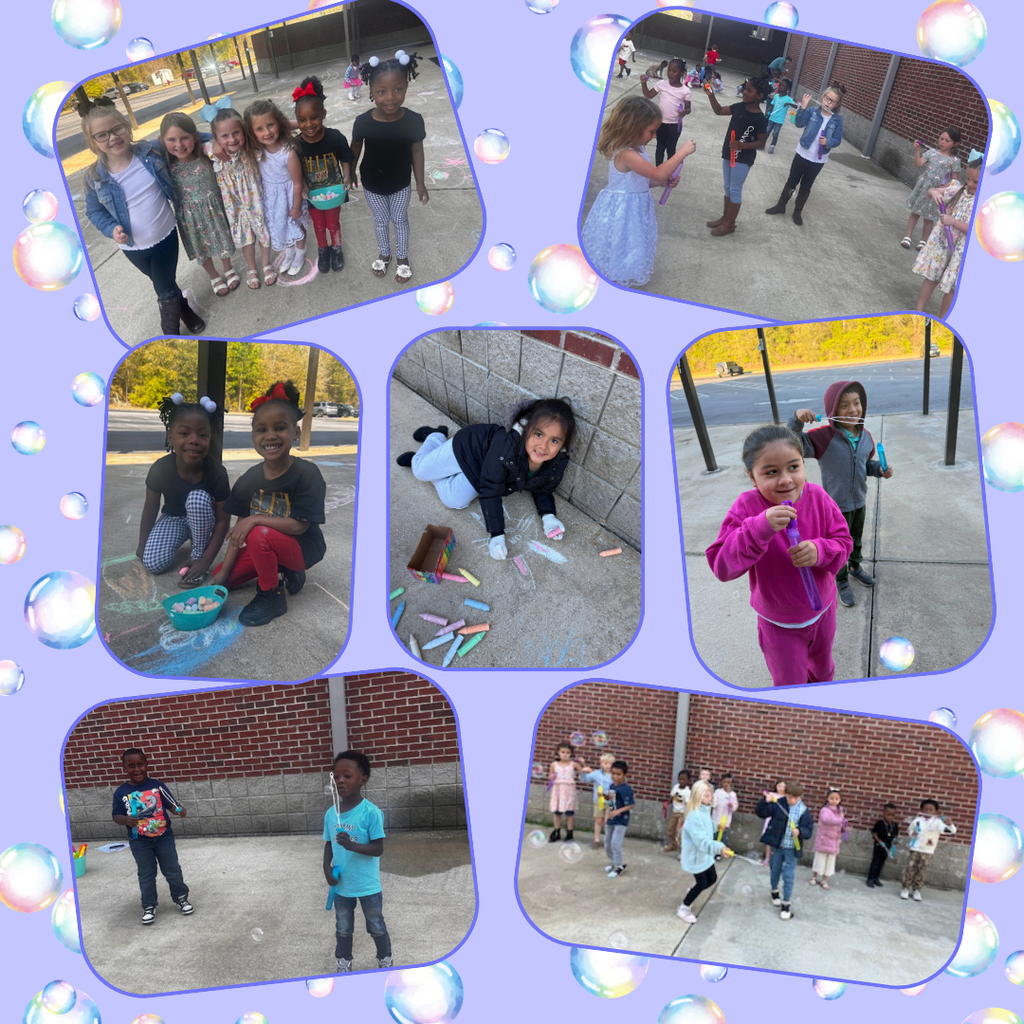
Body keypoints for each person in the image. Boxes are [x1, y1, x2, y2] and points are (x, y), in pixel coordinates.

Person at [706, 425, 853, 686]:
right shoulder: (746, 507)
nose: (785, 480)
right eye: (771, 472)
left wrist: (820, 551)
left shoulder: (818, 498)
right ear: (752, 477)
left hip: (823, 612)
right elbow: (721, 566)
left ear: (803, 465)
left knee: (823, 670)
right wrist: (758, 529)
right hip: (778, 624)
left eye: (793, 467)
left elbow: (844, 544)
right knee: (789, 682)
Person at [81, 99, 206, 336]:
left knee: (164, 288)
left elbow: (185, 138)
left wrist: (213, 142)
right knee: (164, 283)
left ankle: (170, 335)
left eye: (117, 129)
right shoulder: (94, 177)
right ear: (92, 141)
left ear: (127, 127)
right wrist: (111, 228)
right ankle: (184, 308)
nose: (113, 137)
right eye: (102, 135)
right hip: (132, 248)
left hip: (164, 236)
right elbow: (94, 211)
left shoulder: (150, 152)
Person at [394, 398, 576, 560]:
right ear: (526, 429)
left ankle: (436, 468)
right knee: (419, 471)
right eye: (538, 434)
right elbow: (491, 490)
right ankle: (436, 437)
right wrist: (497, 534)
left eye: (554, 441)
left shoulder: (556, 461)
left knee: (453, 500)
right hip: (467, 448)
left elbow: (542, 487)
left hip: (482, 470)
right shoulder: (507, 446)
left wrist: (548, 517)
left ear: (563, 444)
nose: (543, 446)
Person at [213, 381, 327, 627]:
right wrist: (222, 573)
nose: (270, 435)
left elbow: (299, 526)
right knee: (223, 579)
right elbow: (239, 531)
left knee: (258, 533)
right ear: (253, 436)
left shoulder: (307, 474)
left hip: (303, 548)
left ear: (295, 432)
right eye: (261, 429)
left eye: (280, 428)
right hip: (267, 544)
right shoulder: (250, 478)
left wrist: (255, 519)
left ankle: (271, 595)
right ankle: (280, 568)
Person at [790, 381, 893, 609]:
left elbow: (865, 464)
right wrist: (797, 420)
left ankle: (855, 567)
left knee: (856, 540)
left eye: (856, 403)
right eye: (844, 405)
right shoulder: (823, 437)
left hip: (859, 501)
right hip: (834, 507)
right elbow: (793, 443)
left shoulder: (866, 437)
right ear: (832, 410)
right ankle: (841, 579)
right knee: (837, 546)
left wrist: (878, 469)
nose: (852, 410)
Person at [580, 96, 695, 286]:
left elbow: (641, 181)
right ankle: (613, 279)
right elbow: (658, 173)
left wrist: (662, 182)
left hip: (633, 209)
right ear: (633, 127)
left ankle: (618, 275)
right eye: (652, 131)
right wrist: (681, 153)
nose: (655, 136)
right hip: (622, 211)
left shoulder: (638, 149)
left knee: (629, 246)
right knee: (618, 245)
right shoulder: (626, 154)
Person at [136, 395, 230, 586]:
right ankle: (185, 537)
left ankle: (197, 554)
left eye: (202, 435)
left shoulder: (217, 473)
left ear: (209, 438)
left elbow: (223, 521)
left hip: (204, 519)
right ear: (170, 437)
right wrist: (142, 543)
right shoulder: (160, 469)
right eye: (184, 433)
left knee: (197, 499)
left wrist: (206, 560)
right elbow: (150, 508)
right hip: (175, 518)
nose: (194, 440)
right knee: (153, 563)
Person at [351, 53, 427, 284]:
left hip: (401, 183)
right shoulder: (363, 122)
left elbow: (417, 151)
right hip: (372, 184)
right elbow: (355, 147)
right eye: (381, 91)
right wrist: (350, 171)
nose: (390, 97)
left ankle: (402, 257)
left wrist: (420, 183)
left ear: (406, 87)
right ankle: (385, 253)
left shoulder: (413, 120)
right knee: (381, 220)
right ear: (372, 92)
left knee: (400, 219)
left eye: (398, 89)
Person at [322, 750, 392, 971]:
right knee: (343, 927)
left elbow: (377, 848)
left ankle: (385, 959)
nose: (340, 780)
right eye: (336, 776)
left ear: (363, 780)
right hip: (342, 885)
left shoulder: (371, 813)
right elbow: (328, 843)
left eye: (347, 776)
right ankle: (344, 962)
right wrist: (326, 867)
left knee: (376, 925)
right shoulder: (331, 814)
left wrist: (352, 845)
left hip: (367, 884)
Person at [159, 112, 237, 297]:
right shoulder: (163, 165)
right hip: (189, 216)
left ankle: (228, 268)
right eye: (171, 139)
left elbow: (218, 140)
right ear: (162, 140)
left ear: (195, 136)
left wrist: (214, 141)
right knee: (200, 247)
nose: (179, 144)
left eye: (184, 138)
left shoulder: (206, 153)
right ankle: (214, 275)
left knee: (223, 240)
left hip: (214, 210)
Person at [112, 747, 192, 925]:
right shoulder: (121, 792)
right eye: (131, 766)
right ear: (124, 768)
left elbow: (171, 804)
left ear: (147, 765)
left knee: (172, 870)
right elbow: (116, 815)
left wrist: (179, 810)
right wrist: (126, 820)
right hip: (139, 841)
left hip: (164, 837)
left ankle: (181, 897)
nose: (137, 769)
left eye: (140, 764)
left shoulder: (157, 786)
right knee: (146, 874)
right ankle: (149, 905)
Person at [293, 75, 355, 274]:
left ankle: (336, 248)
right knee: (318, 225)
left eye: (314, 117)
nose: (308, 124)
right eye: (302, 120)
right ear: (296, 121)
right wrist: (302, 184)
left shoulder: (335, 137)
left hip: (334, 192)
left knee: (333, 223)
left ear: (324, 114)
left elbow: (346, 157)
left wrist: (347, 175)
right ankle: (323, 250)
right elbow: (296, 171)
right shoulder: (297, 145)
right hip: (313, 196)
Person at [206, 108, 272, 289]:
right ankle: (252, 269)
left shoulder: (251, 147)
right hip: (235, 205)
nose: (232, 139)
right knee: (246, 238)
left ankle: (266, 264)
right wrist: (214, 142)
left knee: (263, 231)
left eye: (236, 132)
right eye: (224, 136)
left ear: (244, 130)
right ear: (216, 137)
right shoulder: (213, 152)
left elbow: (274, 127)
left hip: (255, 201)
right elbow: (199, 141)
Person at [765, 84, 845, 226]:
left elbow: (837, 139)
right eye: (827, 98)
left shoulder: (837, 120)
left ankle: (797, 212)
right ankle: (781, 206)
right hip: (802, 153)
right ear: (822, 97)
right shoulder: (812, 112)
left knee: (806, 186)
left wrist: (828, 142)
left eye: (832, 101)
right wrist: (802, 107)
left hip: (818, 160)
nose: (828, 103)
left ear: (837, 104)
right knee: (792, 181)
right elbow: (799, 123)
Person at [245, 100, 308, 278]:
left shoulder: (288, 153)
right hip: (272, 198)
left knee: (296, 225)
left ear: (278, 123)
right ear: (252, 132)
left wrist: (296, 207)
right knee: (281, 225)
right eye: (260, 129)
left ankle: (300, 252)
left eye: (270, 125)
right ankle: (289, 252)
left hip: (290, 196)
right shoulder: (257, 150)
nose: (267, 132)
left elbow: (297, 183)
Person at [913, 152, 982, 317]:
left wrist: (953, 222)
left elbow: (979, 232)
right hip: (943, 244)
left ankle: (943, 321)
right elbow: (931, 191)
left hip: (962, 251)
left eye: (976, 181)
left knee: (951, 288)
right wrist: (935, 193)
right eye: (968, 179)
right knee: (931, 278)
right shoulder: (957, 190)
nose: (970, 184)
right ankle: (918, 312)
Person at [703, 77, 769, 237]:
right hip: (729, 153)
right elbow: (719, 110)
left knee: (735, 189)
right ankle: (725, 217)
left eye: (749, 90)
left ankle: (729, 224)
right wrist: (711, 95)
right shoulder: (739, 107)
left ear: (760, 96)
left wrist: (742, 145)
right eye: (745, 89)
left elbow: (761, 142)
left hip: (743, 158)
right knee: (727, 187)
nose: (744, 92)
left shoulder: (760, 119)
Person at [677, 780, 734, 924]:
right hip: (696, 856)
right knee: (702, 882)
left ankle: (692, 891)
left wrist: (716, 826)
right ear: (697, 796)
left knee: (712, 878)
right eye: (706, 795)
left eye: (711, 794)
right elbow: (702, 841)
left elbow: (706, 826)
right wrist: (720, 848)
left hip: (704, 855)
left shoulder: (704, 810)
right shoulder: (694, 816)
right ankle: (684, 908)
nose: (711, 797)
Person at [756, 780, 813, 921]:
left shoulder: (804, 811)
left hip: (791, 849)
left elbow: (809, 831)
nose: (790, 800)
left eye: (793, 797)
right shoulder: (779, 804)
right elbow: (761, 813)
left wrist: (800, 831)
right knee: (774, 870)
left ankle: (786, 904)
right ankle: (774, 890)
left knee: (788, 875)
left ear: (799, 797)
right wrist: (765, 802)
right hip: (777, 845)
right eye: (788, 796)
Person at [902, 128, 963, 250]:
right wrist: (917, 151)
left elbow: (955, 180)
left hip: (937, 192)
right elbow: (918, 163)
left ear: (955, 144)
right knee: (915, 212)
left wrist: (947, 185)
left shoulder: (955, 161)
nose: (942, 142)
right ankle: (907, 237)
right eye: (941, 138)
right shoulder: (931, 153)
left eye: (947, 141)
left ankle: (923, 241)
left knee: (928, 217)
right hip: (923, 187)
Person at [901, 799, 957, 901]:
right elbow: (910, 830)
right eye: (925, 809)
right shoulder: (917, 820)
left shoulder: (938, 822)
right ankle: (905, 888)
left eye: (931, 810)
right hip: (915, 848)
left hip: (927, 851)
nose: (928, 811)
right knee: (910, 868)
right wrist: (912, 833)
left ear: (935, 811)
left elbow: (951, 831)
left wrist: (950, 824)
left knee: (922, 871)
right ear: (921, 810)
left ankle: (916, 890)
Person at [641, 58, 692, 166]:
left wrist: (684, 112)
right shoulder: (662, 84)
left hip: (675, 125)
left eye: (674, 71)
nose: (670, 73)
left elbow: (689, 108)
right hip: (661, 123)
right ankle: (658, 169)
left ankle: (669, 170)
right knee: (660, 146)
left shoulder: (685, 91)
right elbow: (649, 95)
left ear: (682, 73)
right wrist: (644, 84)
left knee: (671, 148)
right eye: (669, 70)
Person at [810, 788, 849, 889]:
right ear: (827, 799)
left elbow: (839, 826)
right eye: (832, 798)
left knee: (829, 863)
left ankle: (824, 880)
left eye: (836, 799)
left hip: (834, 842)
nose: (834, 801)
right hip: (823, 840)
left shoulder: (840, 812)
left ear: (840, 800)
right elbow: (827, 820)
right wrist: (839, 820)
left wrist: (844, 828)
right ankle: (814, 877)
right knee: (819, 860)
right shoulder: (824, 810)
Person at [604, 760, 635, 878]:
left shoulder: (626, 789)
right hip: (611, 818)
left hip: (621, 820)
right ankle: (613, 861)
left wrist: (618, 811)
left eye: (618, 774)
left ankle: (619, 866)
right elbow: (612, 801)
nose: (615, 777)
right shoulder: (612, 786)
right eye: (613, 773)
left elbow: (631, 804)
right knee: (607, 843)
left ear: (624, 775)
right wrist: (606, 798)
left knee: (615, 843)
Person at [580, 753, 615, 848]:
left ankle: (608, 840)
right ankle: (596, 839)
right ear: (601, 764)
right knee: (598, 820)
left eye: (610, 764)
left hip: (611, 801)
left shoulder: (615, 775)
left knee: (608, 822)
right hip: (599, 801)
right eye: (605, 763)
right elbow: (584, 779)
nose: (608, 766)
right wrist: (583, 771)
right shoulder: (596, 774)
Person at [547, 742, 579, 842]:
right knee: (557, 812)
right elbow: (550, 776)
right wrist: (551, 777)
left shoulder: (573, 764)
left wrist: (583, 764)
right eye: (563, 752)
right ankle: (557, 831)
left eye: (568, 753)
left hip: (569, 790)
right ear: (558, 752)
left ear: (571, 754)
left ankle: (570, 833)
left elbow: (582, 771)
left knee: (570, 812)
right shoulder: (554, 764)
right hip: (558, 789)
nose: (565, 754)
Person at [867, 802, 899, 888]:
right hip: (879, 845)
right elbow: (874, 833)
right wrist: (879, 841)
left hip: (888, 846)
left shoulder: (895, 825)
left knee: (881, 863)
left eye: (892, 815)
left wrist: (895, 841)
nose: (890, 817)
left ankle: (876, 878)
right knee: (875, 862)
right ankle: (870, 879)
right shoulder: (879, 823)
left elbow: (895, 835)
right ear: (884, 813)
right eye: (888, 815)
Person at [764, 78, 797, 154]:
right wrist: (767, 111)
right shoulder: (776, 96)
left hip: (779, 120)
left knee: (775, 133)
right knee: (767, 131)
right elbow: (772, 105)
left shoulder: (788, 99)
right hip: (772, 118)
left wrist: (789, 103)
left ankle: (772, 146)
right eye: (780, 85)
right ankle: (762, 144)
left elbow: (795, 106)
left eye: (783, 86)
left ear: (788, 89)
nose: (781, 87)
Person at [664, 769, 692, 853]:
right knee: (670, 830)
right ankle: (673, 845)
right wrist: (667, 803)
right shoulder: (676, 787)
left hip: (682, 814)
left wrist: (687, 817)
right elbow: (672, 797)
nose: (681, 781)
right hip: (674, 813)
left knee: (679, 833)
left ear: (688, 781)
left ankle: (682, 851)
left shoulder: (687, 792)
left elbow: (688, 805)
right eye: (680, 779)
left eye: (684, 780)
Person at [711, 773, 738, 854]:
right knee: (714, 835)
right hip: (716, 818)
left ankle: (719, 852)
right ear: (721, 783)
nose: (726, 784)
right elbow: (713, 804)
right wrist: (713, 802)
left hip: (725, 819)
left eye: (728, 783)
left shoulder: (733, 795)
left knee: (722, 836)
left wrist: (731, 806)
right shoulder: (718, 792)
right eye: (724, 782)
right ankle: (712, 850)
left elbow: (735, 807)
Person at [761, 780, 787, 864]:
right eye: (779, 786)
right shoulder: (772, 795)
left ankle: (778, 858)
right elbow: (765, 793)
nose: (781, 788)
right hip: (771, 819)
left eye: (783, 787)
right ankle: (767, 857)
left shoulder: (787, 797)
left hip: (781, 822)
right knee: (769, 840)